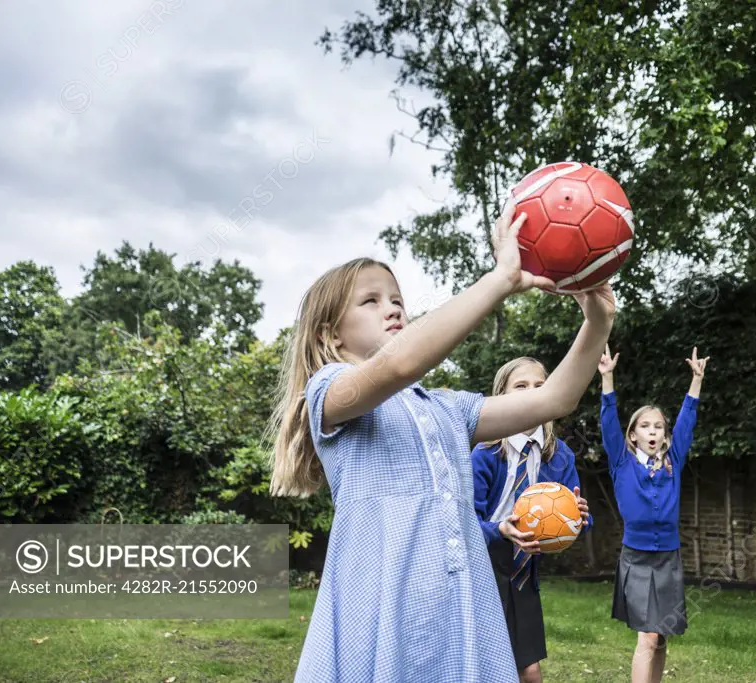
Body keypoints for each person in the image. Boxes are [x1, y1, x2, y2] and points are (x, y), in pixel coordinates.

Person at [267, 198, 616, 683]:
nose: (391, 308)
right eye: (370, 301)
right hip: (382, 606)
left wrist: (597, 321)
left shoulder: (447, 409)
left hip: (459, 603)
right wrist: (501, 280)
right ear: (331, 335)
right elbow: (398, 365)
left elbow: (554, 399)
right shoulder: (328, 391)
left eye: (396, 300)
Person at [472, 356, 593, 682]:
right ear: (501, 396)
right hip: (484, 567)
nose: (531, 392)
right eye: (520, 386)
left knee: (529, 669)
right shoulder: (485, 452)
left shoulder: (561, 455)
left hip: (524, 571)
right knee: (489, 665)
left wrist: (580, 516)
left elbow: (572, 515)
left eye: (540, 386)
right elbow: (466, 520)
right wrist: (500, 529)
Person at [598, 344, 708, 683]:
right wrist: (607, 378)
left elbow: (687, 422)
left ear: (664, 436)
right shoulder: (621, 462)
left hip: (668, 558)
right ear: (633, 435)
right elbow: (608, 423)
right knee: (646, 636)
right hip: (637, 558)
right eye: (645, 426)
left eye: (658, 427)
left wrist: (696, 381)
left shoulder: (673, 461)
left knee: (660, 638)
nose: (652, 431)